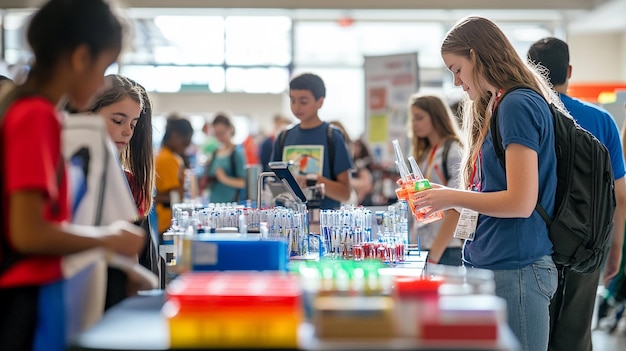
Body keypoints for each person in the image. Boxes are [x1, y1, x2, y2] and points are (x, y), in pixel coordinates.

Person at [0, 1, 145, 350]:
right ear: (81, 57)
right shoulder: (37, 117)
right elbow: (28, 233)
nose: (100, 84)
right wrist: (106, 238)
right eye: (103, 68)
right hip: (24, 298)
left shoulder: (28, 111)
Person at [415, 16, 560, 351]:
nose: (456, 82)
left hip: (517, 266)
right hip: (496, 263)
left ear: (475, 55)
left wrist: (450, 197)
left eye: (457, 69)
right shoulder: (497, 105)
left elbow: (521, 201)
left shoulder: (516, 105)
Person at [528, 37, 626, 351]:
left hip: (535, 243)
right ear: (568, 70)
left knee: (533, 333)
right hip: (587, 243)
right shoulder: (603, 121)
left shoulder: (526, 114)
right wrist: (615, 251)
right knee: (576, 336)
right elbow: (620, 196)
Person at [83, 74, 160, 307]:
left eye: (133, 125)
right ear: (87, 116)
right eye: (118, 121)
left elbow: (134, 261)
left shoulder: (131, 182)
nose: (127, 131)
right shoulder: (72, 174)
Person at [271, 73, 353, 209]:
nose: (296, 107)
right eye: (292, 100)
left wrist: (314, 180)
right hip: (288, 223)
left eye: (303, 102)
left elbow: (345, 194)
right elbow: (273, 183)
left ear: (320, 102)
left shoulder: (333, 136)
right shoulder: (283, 137)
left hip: (324, 224)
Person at [408, 94, 464, 266]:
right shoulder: (426, 154)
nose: (414, 124)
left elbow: (457, 207)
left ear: (436, 117)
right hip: (425, 246)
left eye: (419, 118)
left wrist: (434, 256)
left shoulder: (454, 151)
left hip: (446, 250)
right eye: (413, 119)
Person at [155, 114, 194, 235]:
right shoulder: (168, 159)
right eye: (186, 139)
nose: (188, 144)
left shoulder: (166, 156)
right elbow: (175, 195)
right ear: (175, 136)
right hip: (167, 221)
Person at [199, 113, 246, 204]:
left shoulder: (237, 153)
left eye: (222, 133)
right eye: (216, 134)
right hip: (213, 202)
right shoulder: (215, 152)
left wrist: (224, 178)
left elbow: (243, 182)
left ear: (230, 129)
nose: (220, 137)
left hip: (230, 205)